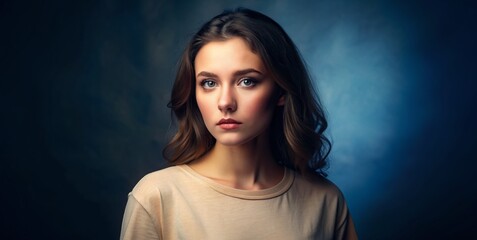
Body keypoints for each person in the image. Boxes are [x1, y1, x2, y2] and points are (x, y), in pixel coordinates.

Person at [120, 8, 357, 240]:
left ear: (282, 91)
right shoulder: (157, 197)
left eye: (246, 81)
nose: (225, 103)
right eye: (209, 83)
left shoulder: (325, 200)